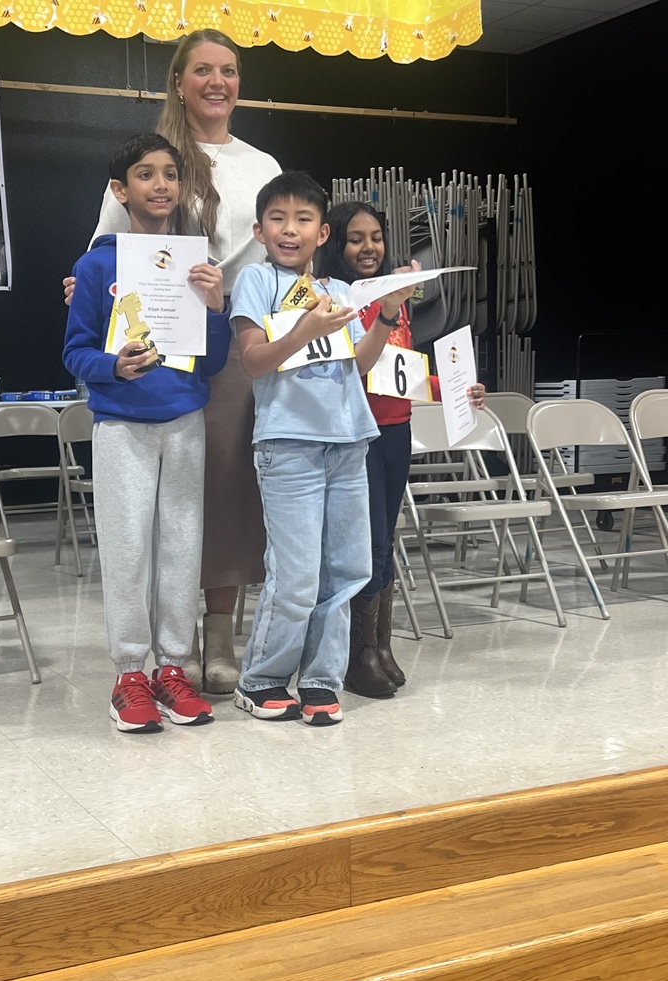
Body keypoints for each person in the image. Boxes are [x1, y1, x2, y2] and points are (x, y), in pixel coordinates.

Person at [64, 29, 281, 694]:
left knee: (225, 494)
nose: (218, 82)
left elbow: (283, 253)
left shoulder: (261, 163)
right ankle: (160, 650)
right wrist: (80, 288)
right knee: (154, 515)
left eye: (230, 71)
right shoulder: (155, 157)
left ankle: (216, 639)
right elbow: (107, 251)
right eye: (203, 71)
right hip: (154, 357)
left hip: (231, 335)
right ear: (179, 83)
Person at [230, 172, 423, 726]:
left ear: (322, 233)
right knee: (295, 572)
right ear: (260, 231)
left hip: (349, 442)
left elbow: (359, 365)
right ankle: (262, 678)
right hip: (289, 444)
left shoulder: (338, 291)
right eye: (278, 219)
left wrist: (387, 313)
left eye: (304, 219)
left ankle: (320, 679)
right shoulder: (254, 281)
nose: (290, 230)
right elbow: (252, 361)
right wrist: (302, 331)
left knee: (349, 567)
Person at [62, 132, 231, 733]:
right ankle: (129, 673)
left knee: (182, 546)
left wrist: (213, 309)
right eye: (144, 174)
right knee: (128, 546)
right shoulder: (96, 264)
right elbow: (75, 351)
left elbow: (212, 362)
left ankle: (172, 668)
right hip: (121, 426)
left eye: (169, 174)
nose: (159, 185)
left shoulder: (198, 265)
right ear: (119, 189)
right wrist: (114, 365)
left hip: (184, 421)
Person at [315, 202, 485, 699]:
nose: (368, 247)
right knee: (364, 544)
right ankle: (355, 654)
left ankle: (379, 644)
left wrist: (457, 388)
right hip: (357, 433)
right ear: (335, 245)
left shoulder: (398, 296)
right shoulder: (336, 297)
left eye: (376, 237)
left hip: (397, 430)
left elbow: (401, 372)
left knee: (384, 538)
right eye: (354, 238)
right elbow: (354, 368)